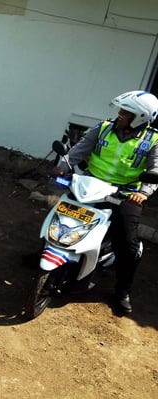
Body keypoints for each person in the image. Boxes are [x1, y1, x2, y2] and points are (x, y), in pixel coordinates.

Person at [52, 90, 158, 313]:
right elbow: (79, 150)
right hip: (89, 185)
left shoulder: (154, 140)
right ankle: (48, 253)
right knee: (60, 215)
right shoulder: (102, 128)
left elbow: (155, 170)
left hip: (125, 193)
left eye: (126, 111)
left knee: (127, 246)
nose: (120, 113)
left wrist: (144, 192)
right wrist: (64, 163)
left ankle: (122, 290)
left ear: (140, 117)